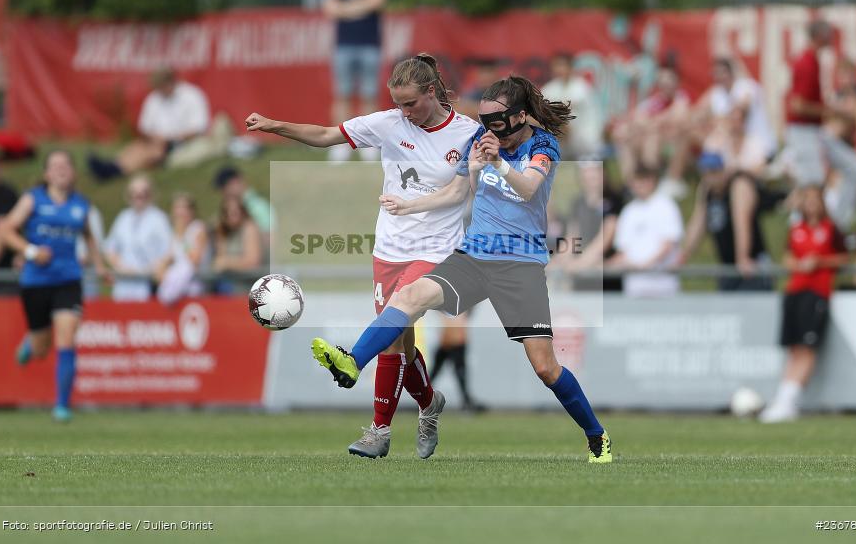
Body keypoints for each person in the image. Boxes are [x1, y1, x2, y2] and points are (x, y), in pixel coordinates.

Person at [310, 76, 613, 463]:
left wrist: (498, 162)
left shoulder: (543, 144)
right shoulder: (479, 141)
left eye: (498, 122)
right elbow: (459, 192)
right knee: (409, 296)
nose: (490, 130)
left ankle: (596, 435)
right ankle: (353, 361)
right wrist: (411, 205)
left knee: (545, 367)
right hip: (473, 255)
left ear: (520, 116)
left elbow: (527, 189)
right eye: (485, 121)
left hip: (520, 264)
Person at [245, 53, 483, 459]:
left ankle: (379, 431)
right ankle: (429, 403)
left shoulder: (467, 133)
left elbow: (466, 192)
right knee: (402, 349)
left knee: (390, 338)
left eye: (411, 103)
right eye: (398, 104)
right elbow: (324, 135)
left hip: (438, 250)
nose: (404, 112)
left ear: (431, 92)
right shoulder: (389, 123)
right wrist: (274, 125)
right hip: (390, 250)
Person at [0, 150, 108, 421]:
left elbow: (89, 236)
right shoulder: (32, 199)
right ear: (47, 173)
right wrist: (31, 252)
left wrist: (100, 265)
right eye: (55, 165)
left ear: (73, 173)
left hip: (69, 280)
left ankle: (62, 406)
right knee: (41, 348)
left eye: (66, 165)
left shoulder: (81, 205)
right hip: (36, 282)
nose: (61, 169)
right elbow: (5, 229)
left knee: (67, 337)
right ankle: (31, 344)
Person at [760, 186, 848, 423]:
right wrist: (799, 265)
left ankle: (790, 400)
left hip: (817, 291)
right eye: (807, 200)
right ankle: (783, 398)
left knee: (807, 347)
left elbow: (845, 257)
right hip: (795, 290)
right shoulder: (796, 229)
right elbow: (787, 257)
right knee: (794, 347)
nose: (811, 205)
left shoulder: (831, 229)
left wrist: (820, 261)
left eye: (814, 200)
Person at [783, 20, 856, 232]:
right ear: (820, 36)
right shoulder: (806, 63)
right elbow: (798, 106)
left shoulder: (812, 60)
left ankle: (836, 228)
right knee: (812, 184)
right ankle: (800, 232)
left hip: (814, 130)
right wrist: (832, 111)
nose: (831, 39)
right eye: (828, 35)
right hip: (803, 131)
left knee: (855, 168)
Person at [320, 0, 392, 164]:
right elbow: (330, 9)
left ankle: (368, 143)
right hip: (344, 45)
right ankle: (340, 144)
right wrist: (363, 5)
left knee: (369, 94)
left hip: (370, 44)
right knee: (342, 94)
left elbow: (378, 1)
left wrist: (346, 7)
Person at [88, 68, 226, 180]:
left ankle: (115, 170)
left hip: (181, 143)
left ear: (171, 82)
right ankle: (114, 165)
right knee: (138, 147)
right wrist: (156, 138)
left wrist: (170, 138)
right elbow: (145, 127)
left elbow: (198, 128)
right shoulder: (154, 98)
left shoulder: (192, 95)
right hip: (156, 141)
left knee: (153, 152)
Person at [679, 151, 772, 291]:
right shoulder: (707, 190)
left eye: (713, 172)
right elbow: (698, 222)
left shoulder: (738, 185)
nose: (710, 177)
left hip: (751, 262)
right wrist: (684, 254)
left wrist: (743, 256)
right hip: (727, 265)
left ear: (723, 170)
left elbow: (741, 222)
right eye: (706, 173)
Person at [611, 66, 692, 198]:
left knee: (652, 137)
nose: (665, 84)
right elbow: (637, 119)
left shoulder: (681, 99)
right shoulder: (654, 101)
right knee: (624, 136)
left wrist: (652, 123)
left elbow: (677, 119)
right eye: (662, 81)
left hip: (670, 145)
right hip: (649, 139)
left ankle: (650, 181)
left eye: (668, 80)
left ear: (676, 82)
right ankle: (631, 183)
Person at [607, 164, 684, 298]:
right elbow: (623, 252)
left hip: (663, 287)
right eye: (636, 181)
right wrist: (602, 267)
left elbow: (669, 245)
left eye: (643, 180)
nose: (639, 185)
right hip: (634, 289)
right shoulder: (629, 211)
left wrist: (645, 266)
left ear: (652, 181)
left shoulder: (666, 205)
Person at [550, 156, 624, 292]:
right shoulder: (578, 202)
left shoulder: (614, 201)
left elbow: (605, 239)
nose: (590, 179)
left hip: (606, 275)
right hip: (583, 271)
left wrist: (580, 263)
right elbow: (572, 237)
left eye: (594, 174)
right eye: (586, 174)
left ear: (603, 175)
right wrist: (559, 260)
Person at [694, 58, 776, 175]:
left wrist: (718, 120)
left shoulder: (746, 86)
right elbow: (697, 113)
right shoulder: (717, 93)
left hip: (761, 149)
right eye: (716, 73)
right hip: (735, 148)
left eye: (722, 72)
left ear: (731, 72)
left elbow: (741, 108)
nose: (720, 76)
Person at [104, 175, 172, 301]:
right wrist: (121, 267)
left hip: (147, 281)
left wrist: (154, 269)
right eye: (135, 193)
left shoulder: (159, 218)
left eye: (143, 193)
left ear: (150, 194)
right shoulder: (123, 217)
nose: (139, 197)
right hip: (124, 281)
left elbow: (169, 250)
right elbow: (110, 248)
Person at [541, 52, 601, 158]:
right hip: (559, 137)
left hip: (584, 136)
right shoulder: (548, 90)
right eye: (556, 66)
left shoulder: (582, 87)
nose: (559, 69)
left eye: (562, 65)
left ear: (571, 67)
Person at [155, 193, 210, 306]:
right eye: (177, 208)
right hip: (177, 288)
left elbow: (195, 259)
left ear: (192, 210)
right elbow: (170, 256)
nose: (180, 212)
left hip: (194, 286)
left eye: (184, 208)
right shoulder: (176, 232)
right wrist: (160, 267)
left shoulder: (198, 228)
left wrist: (183, 237)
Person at [212, 196, 263, 290]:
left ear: (242, 212)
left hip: (246, 284)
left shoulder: (249, 228)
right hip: (228, 282)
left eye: (235, 212)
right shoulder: (224, 230)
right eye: (226, 213)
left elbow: (253, 261)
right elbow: (219, 259)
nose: (231, 216)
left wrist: (226, 262)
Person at [213, 166, 273, 238]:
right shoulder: (251, 204)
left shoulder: (256, 206)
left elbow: (270, 236)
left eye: (224, 188)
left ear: (236, 181)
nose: (223, 194)